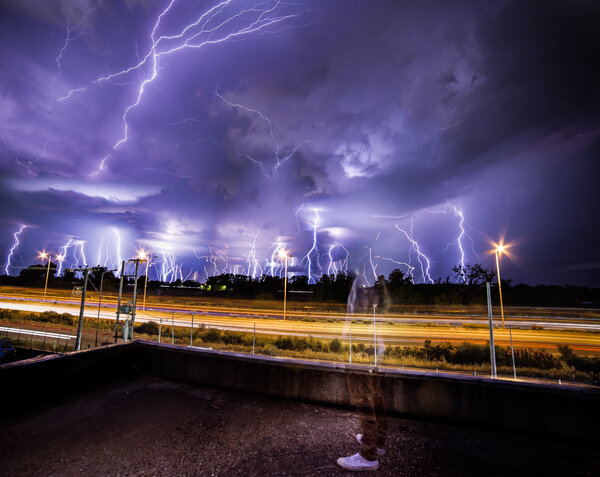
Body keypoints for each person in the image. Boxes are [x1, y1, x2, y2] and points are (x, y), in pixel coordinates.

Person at [337, 275, 388, 471]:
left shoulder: (361, 284)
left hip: (360, 350)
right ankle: (378, 442)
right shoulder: (373, 282)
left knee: (364, 400)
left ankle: (368, 454)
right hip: (373, 348)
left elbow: (354, 316)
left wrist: (344, 340)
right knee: (376, 397)